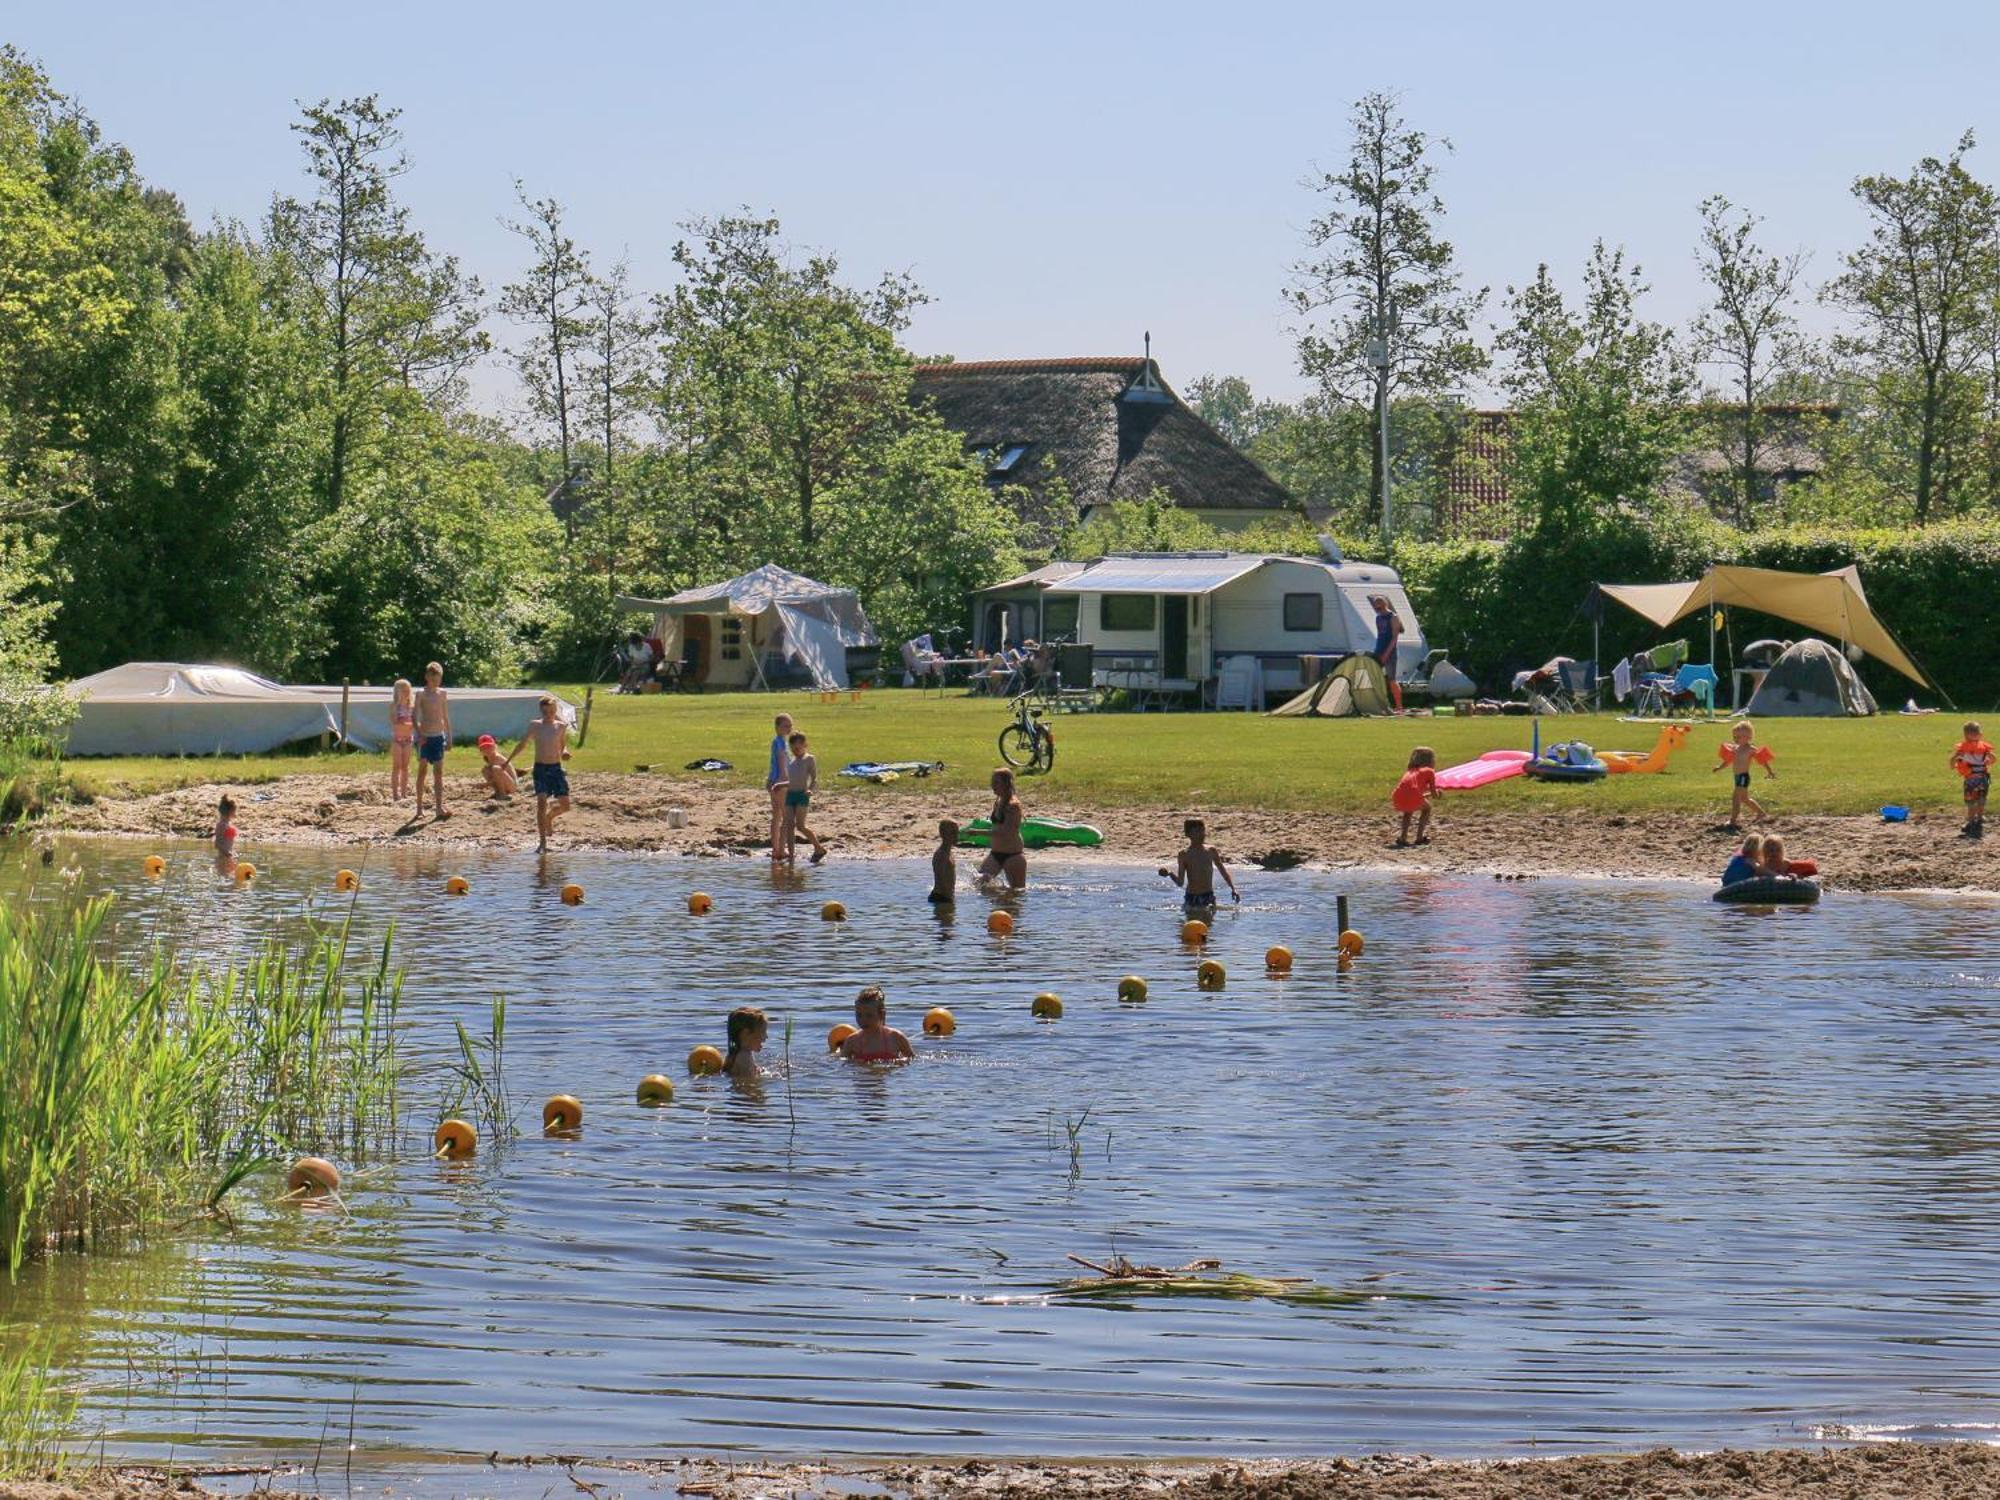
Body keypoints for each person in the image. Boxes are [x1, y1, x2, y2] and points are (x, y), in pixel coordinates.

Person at [505, 696, 572, 853]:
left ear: (555, 711)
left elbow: (563, 746)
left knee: (565, 805)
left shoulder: (560, 726)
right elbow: (522, 744)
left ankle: (549, 818)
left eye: (551, 711)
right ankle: (542, 842)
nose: (548, 714)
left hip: (555, 768)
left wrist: (566, 752)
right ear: (541, 711)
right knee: (541, 802)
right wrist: (508, 761)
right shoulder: (535, 725)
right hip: (540, 769)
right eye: (545, 711)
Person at [1159, 817, 1239, 908]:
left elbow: (1223, 871)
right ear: (1188, 834)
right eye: (1197, 831)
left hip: (1208, 896)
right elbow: (1180, 883)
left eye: (1203, 831)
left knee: (1208, 921)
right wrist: (1170, 873)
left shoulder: (1211, 851)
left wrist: (1233, 888)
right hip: (1191, 897)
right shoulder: (1184, 854)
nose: (1202, 834)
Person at [1712, 721, 1775, 829]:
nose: (1735, 739)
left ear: (1748, 737)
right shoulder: (1735, 749)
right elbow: (1728, 761)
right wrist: (1719, 767)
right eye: (1734, 736)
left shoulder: (1751, 749)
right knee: (1745, 799)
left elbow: (1763, 760)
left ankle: (1733, 820)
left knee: (1736, 797)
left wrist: (1769, 771)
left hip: (1743, 777)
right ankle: (1761, 813)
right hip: (1737, 777)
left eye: (1739, 737)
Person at [413, 662, 452, 821]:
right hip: (425, 737)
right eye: (433, 678)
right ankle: (419, 808)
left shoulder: (442, 693)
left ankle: (438, 807)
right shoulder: (421, 694)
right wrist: (419, 734)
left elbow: (445, 716)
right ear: (427, 677)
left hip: (438, 736)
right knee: (422, 772)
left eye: (439, 679)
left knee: (438, 773)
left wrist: (449, 737)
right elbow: (414, 716)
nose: (436, 682)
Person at [782, 731, 829, 864]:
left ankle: (819, 848)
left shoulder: (809, 759)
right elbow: (790, 780)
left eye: (797, 748)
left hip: (802, 795)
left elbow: (814, 778)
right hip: (790, 795)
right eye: (792, 749)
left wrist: (810, 789)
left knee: (800, 826)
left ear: (804, 745)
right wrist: (778, 784)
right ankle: (791, 855)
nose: (795, 751)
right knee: (789, 825)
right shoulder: (791, 761)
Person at [978, 767, 1027, 889]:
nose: (993, 786)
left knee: (1017, 892)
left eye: (996, 783)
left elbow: (1005, 832)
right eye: (992, 782)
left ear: (1006, 784)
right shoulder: (998, 802)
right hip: (995, 854)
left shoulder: (1013, 806)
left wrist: (976, 832)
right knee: (980, 885)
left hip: (1013, 855)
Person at [838, 985, 913, 1064]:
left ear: (882, 1015)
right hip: (863, 1075)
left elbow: (912, 1059)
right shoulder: (852, 1041)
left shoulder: (896, 1037)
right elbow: (843, 1063)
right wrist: (854, 1063)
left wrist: (898, 1062)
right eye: (859, 1015)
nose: (863, 1020)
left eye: (869, 1015)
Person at [1952, 720, 1994, 839]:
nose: (1975, 735)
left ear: (1980, 734)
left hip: (1983, 779)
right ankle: (1971, 821)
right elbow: (1952, 764)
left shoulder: (1984, 748)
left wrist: (1988, 756)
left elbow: (1993, 760)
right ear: (1966, 735)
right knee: (1971, 803)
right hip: (1970, 780)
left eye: (1977, 733)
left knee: (1981, 800)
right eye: (1972, 734)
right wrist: (1956, 758)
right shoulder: (1962, 749)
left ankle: (1979, 818)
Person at [1392, 747, 1439, 847]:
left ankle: (1403, 837)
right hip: (1413, 796)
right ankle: (1419, 837)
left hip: (1397, 796)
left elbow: (1413, 792)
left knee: (1408, 812)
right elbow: (1434, 794)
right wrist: (1438, 794)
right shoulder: (1430, 771)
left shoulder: (1410, 770)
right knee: (1427, 809)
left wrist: (1427, 794)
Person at [1370, 596, 1405, 714]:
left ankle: (1399, 707)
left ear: (1384, 604)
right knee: (1375, 677)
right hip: (1378, 650)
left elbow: (1394, 638)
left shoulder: (1393, 617)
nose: (1376, 609)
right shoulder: (1378, 618)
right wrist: (1378, 651)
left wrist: (1386, 654)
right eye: (1375, 606)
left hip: (1390, 651)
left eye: (1378, 606)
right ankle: (1379, 704)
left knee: (1392, 679)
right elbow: (1380, 635)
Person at [766, 713, 794, 860]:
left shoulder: (776, 741)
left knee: (776, 816)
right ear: (777, 727)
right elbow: (782, 762)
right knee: (785, 817)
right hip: (779, 782)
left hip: (772, 780)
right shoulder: (781, 743)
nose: (788, 729)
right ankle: (781, 850)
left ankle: (775, 848)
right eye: (785, 726)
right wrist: (785, 779)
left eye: (790, 726)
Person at [722, 1006, 768, 1083]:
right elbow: (748, 1085)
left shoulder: (733, 1053)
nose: (766, 1037)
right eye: (762, 1032)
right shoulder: (745, 1057)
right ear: (746, 1033)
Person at [389, 678, 416, 802]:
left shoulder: (412, 706)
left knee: (405, 766)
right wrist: (407, 724)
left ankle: (404, 793)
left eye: (407, 690)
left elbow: (415, 722)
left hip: (408, 739)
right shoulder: (394, 706)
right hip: (397, 739)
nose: (406, 693)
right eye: (403, 691)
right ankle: (395, 794)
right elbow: (394, 722)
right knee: (396, 766)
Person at [475, 735, 518, 800]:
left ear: (494, 746)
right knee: (485, 770)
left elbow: (497, 776)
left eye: (489, 746)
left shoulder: (498, 758)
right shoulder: (489, 758)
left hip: (512, 786)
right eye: (484, 747)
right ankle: (498, 792)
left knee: (496, 769)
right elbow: (495, 777)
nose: (487, 749)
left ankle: (502, 794)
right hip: (506, 782)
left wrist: (484, 785)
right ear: (480, 750)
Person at [930, 819, 960, 904]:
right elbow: (941, 880)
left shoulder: (949, 852)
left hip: (946, 897)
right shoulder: (941, 855)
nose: (956, 836)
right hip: (941, 898)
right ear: (942, 834)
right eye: (952, 833)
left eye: (957, 832)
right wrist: (949, 899)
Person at [213, 795, 238, 860]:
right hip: (222, 858)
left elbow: (229, 843)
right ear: (230, 811)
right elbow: (217, 844)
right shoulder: (221, 825)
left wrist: (233, 852)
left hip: (228, 856)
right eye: (235, 811)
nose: (236, 813)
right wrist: (227, 853)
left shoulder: (228, 824)